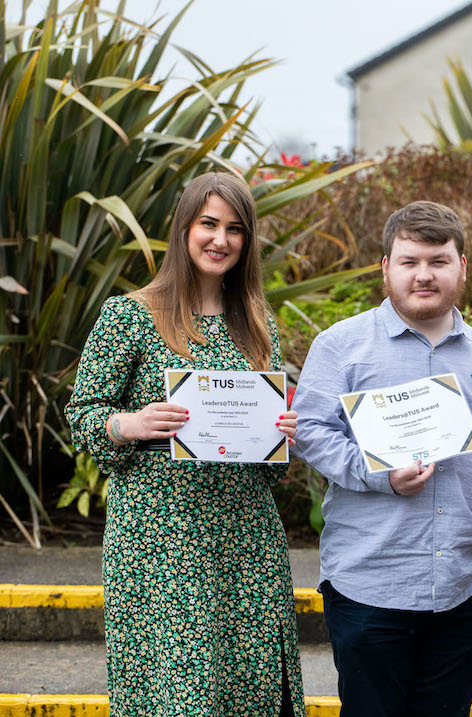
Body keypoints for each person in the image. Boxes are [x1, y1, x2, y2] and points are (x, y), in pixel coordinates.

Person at [66, 172, 304, 716]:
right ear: (184, 229)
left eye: (236, 229)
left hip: (246, 535)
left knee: (250, 686)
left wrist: (279, 433)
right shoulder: (130, 316)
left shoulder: (256, 322)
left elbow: (267, 462)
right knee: (179, 692)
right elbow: (82, 417)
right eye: (209, 224)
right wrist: (129, 424)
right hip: (160, 536)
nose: (221, 240)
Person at [291, 200, 472, 717]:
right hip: (370, 581)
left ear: (462, 267)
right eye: (409, 261)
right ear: (385, 268)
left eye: (438, 261)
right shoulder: (340, 347)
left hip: (465, 584)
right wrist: (380, 476)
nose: (423, 275)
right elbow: (310, 433)